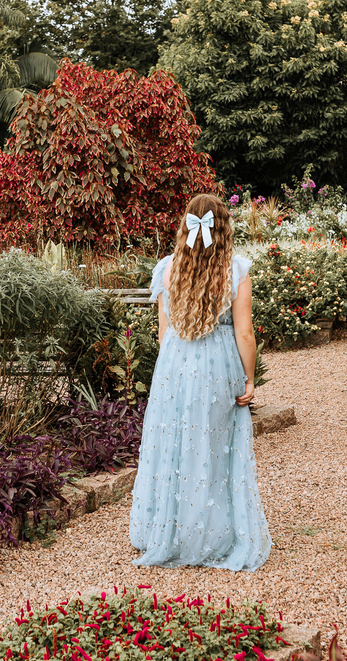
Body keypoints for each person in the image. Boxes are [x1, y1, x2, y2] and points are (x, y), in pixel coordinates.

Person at [128, 193, 271, 570]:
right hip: (216, 364)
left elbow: (163, 331)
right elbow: (244, 334)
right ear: (224, 228)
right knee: (213, 445)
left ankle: (165, 529)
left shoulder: (167, 269)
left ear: (186, 226)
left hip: (174, 363)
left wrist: (172, 370)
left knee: (173, 443)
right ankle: (212, 532)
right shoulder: (235, 270)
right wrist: (249, 378)